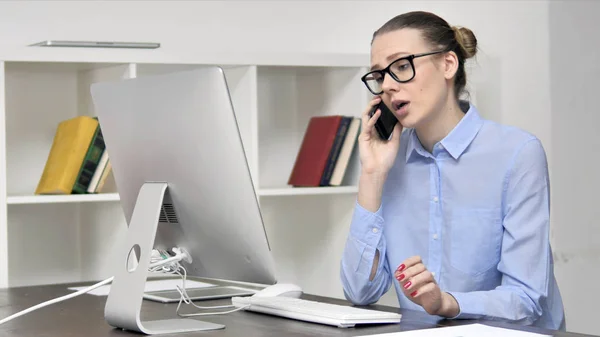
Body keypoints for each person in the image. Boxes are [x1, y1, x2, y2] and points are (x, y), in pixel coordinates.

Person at [339, 11, 565, 331]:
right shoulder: (389, 161)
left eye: (401, 66)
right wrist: (372, 175)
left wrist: (447, 303)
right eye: (379, 75)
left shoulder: (517, 153)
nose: (387, 85)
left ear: (448, 64)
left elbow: (527, 299)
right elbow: (360, 291)